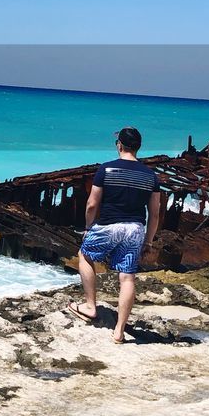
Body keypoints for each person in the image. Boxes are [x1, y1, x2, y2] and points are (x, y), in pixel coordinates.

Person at [68, 126, 162, 344]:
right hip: (135, 229)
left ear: (119, 144)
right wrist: (148, 241)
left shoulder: (106, 169)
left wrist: (88, 228)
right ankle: (119, 331)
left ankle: (90, 306)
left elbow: (92, 204)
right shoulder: (151, 176)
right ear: (138, 147)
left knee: (85, 255)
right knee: (127, 277)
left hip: (110, 225)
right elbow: (155, 214)